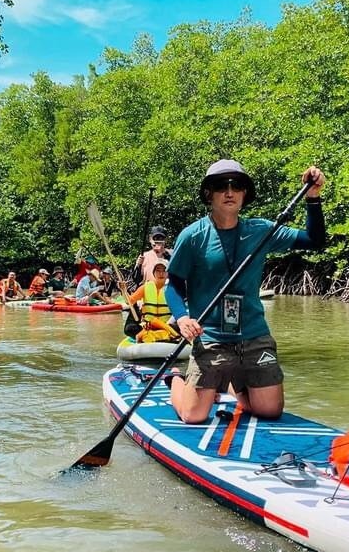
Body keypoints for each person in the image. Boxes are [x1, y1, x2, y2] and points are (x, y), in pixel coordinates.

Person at [165, 158, 327, 424]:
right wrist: (182, 318)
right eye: (221, 186)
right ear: (209, 194)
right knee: (193, 416)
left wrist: (312, 197)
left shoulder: (261, 231)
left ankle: (232, 383)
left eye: (236, 185)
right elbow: (174, 284)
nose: (229, 192)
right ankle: (175, 379)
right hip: (212, 338)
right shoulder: (192, 236)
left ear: (244, 194)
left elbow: (315, 240)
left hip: (254, 335)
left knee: (269, 411)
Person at [125, 259, 178, 343]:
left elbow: (179, 311)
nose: (161, 273)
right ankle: (163, 335)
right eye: (158, 271)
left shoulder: (172, 290)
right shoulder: (145, 287)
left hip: (167, 324)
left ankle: (156, 335)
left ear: (168, 273)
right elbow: (129, 302)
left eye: (164, 271)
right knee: (129, 329)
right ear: (154, 273)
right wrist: (123, 290)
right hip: (148, 326)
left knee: (180, 326)